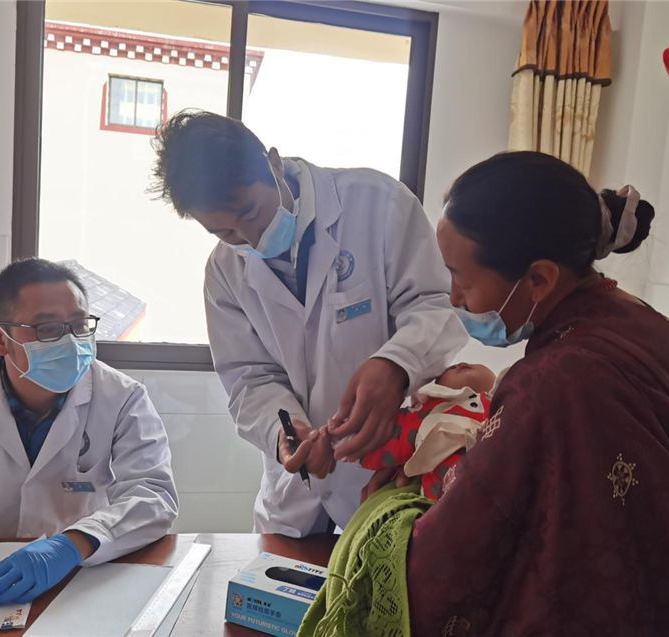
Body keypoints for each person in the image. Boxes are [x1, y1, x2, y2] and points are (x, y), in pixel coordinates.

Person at [405, 152, 669, 635]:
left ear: (539, 279)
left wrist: (389, 516)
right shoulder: (645, 322)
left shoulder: (547, 385)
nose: (453, 297)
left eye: (461, 278)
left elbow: (453, 555)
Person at [150, 109, 467, 536]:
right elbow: (250, 380)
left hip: (390, 467)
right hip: (295, 494)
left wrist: (397, 365)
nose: (252, 239)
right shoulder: (224, 272)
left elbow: (436, 303)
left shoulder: (378, 204)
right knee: (279, 576)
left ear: (273, 164)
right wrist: (284, 433)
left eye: (252, 213)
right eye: (226, 233)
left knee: (383, 567)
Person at [0, 258, 178, 607]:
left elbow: (153, 495)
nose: (71, 342)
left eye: (79, 325)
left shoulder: (123, 397)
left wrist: (71, 545)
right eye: (48, 329)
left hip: (79, 567)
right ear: (0, 339)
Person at [359, 362, 494, 501]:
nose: (459, 364)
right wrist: (350, 437)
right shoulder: (426, 413)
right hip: (449, 497)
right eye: (449, 370)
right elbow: (384, 436)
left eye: (475, 364)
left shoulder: (502, 403)